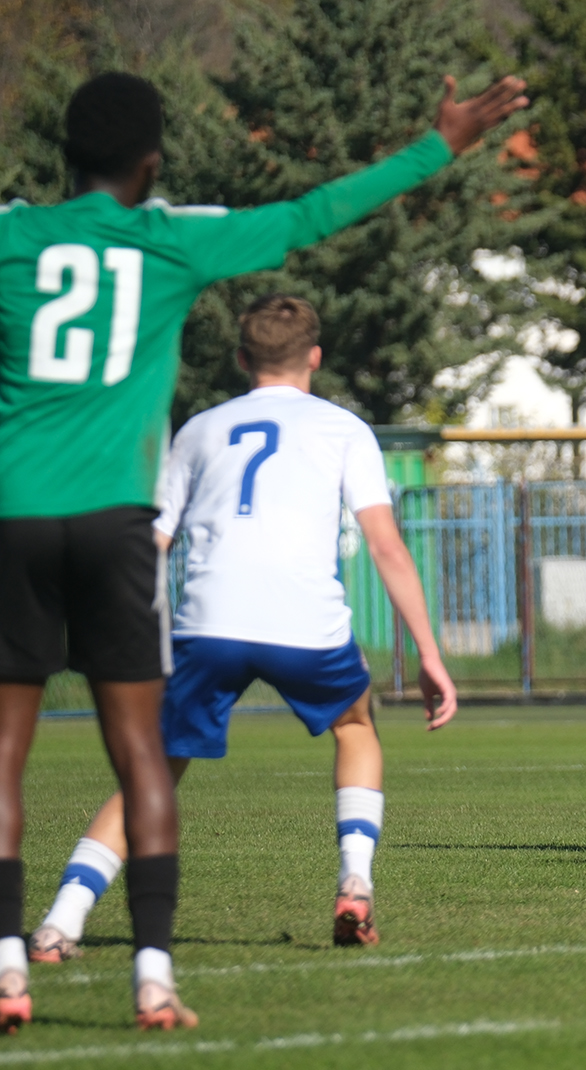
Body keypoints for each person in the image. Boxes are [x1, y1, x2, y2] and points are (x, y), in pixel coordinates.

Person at [0, 71, 525, 1030]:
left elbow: (166, 532)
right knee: (219, 749)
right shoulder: (174, 246)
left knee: (45, 758)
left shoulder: (20, 245)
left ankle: (33, 942)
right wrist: (439, 144)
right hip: (199, 568)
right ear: (151, 163)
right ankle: (219, 946)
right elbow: (314, 212)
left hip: (61, 542)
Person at [28, 293, 456, 981]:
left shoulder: (200, 428)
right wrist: (430, 655)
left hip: (209, 622)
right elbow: (386, 546)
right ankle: (355, 883)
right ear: (315, 356)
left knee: (153, 769)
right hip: (305, 622)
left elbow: (153, 541)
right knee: (356, 726)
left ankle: (60, 921)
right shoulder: (344, 429)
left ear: (240, 358)